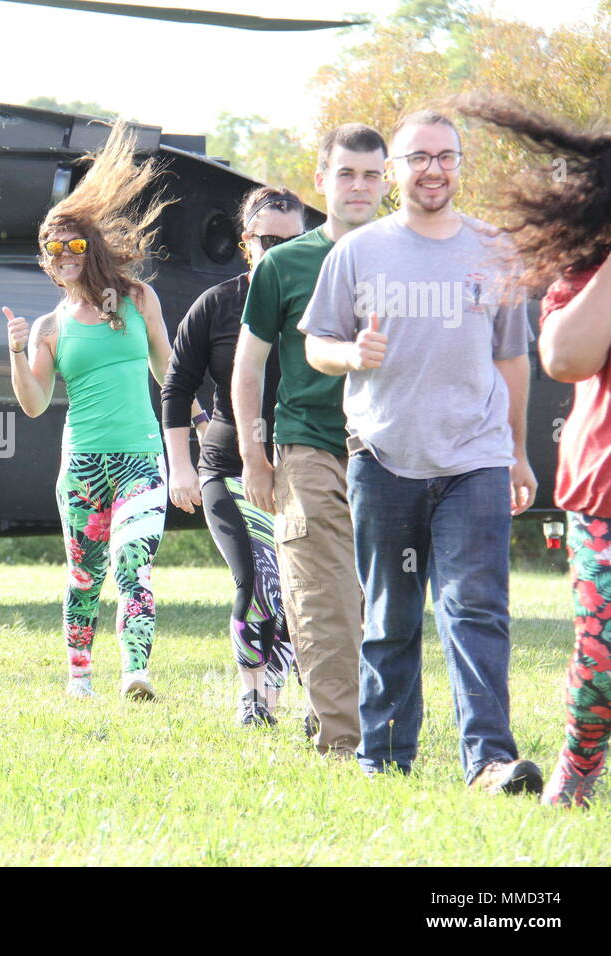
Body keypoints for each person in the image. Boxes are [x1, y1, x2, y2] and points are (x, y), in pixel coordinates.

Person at [299, 109, 542, 793]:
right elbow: (316, 344)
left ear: (460, 164)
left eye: (446, 156)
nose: (434, 169)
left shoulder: (494, 250)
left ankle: (490, 761)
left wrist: (517, 454)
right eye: (418, 158)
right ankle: (384, 758)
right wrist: (352, 352)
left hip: (475, 460)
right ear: (396, 171)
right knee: (391, 616)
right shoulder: (358, 252)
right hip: (382, 457)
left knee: (474, 608)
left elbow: (512, 360)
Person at [454, 95, 611, 806]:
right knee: (603, 656)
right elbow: (568, 357)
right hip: (605, 485)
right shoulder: (587, 269)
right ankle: (578, 769)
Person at [231, 124, 388, 756]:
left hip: (391, 452)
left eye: (372, 174)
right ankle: (344, 745)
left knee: (377, 603)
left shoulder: (408, 255)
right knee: (321, 596)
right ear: (321, 180)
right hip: (308, 448)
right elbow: (249, 367)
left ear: (387, 182)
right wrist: (253, 454)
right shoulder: (283, 263)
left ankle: (387, 732)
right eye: (346, 173)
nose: (358, 186)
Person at [5, 121, 173, 700]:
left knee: (134, 566)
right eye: (54, 250)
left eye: (75, 245)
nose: (65, 256)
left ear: (91, 247)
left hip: (141, 460)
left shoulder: (136, 300)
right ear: (47, 260)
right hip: (82, 467)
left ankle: (135, 673)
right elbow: (32, 404)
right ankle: (79, 679)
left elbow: (166, 370)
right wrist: (15, 351)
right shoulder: (49, 328)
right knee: (85, 576)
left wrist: (199, 418)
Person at [163, 186, 306, 726]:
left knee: (303, 588)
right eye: (268, 240)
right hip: (227, 466)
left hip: (303, 464)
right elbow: (177, 386)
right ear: (247, 243)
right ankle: (253, 699)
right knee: (259, 579)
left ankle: (294, 693)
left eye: (294, 241)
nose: (280, 252)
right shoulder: (218, 303)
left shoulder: (322, 303)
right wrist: (180, 467)